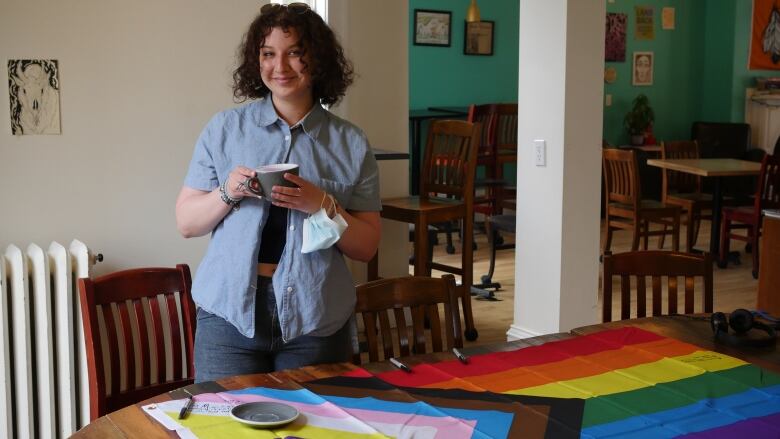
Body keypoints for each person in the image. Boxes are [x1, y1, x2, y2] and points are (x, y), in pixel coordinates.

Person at [175, 3, 381, 383]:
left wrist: (322, 205)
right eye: (268, 54)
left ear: (317, 60)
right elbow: (187, 223)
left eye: (295, 53)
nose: (280, 67)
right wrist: (228, 192)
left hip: (316, 319)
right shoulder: (224, 130)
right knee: (224, 426)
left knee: (315, 426)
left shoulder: (350, 143)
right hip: (229, 318)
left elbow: (366, 246)